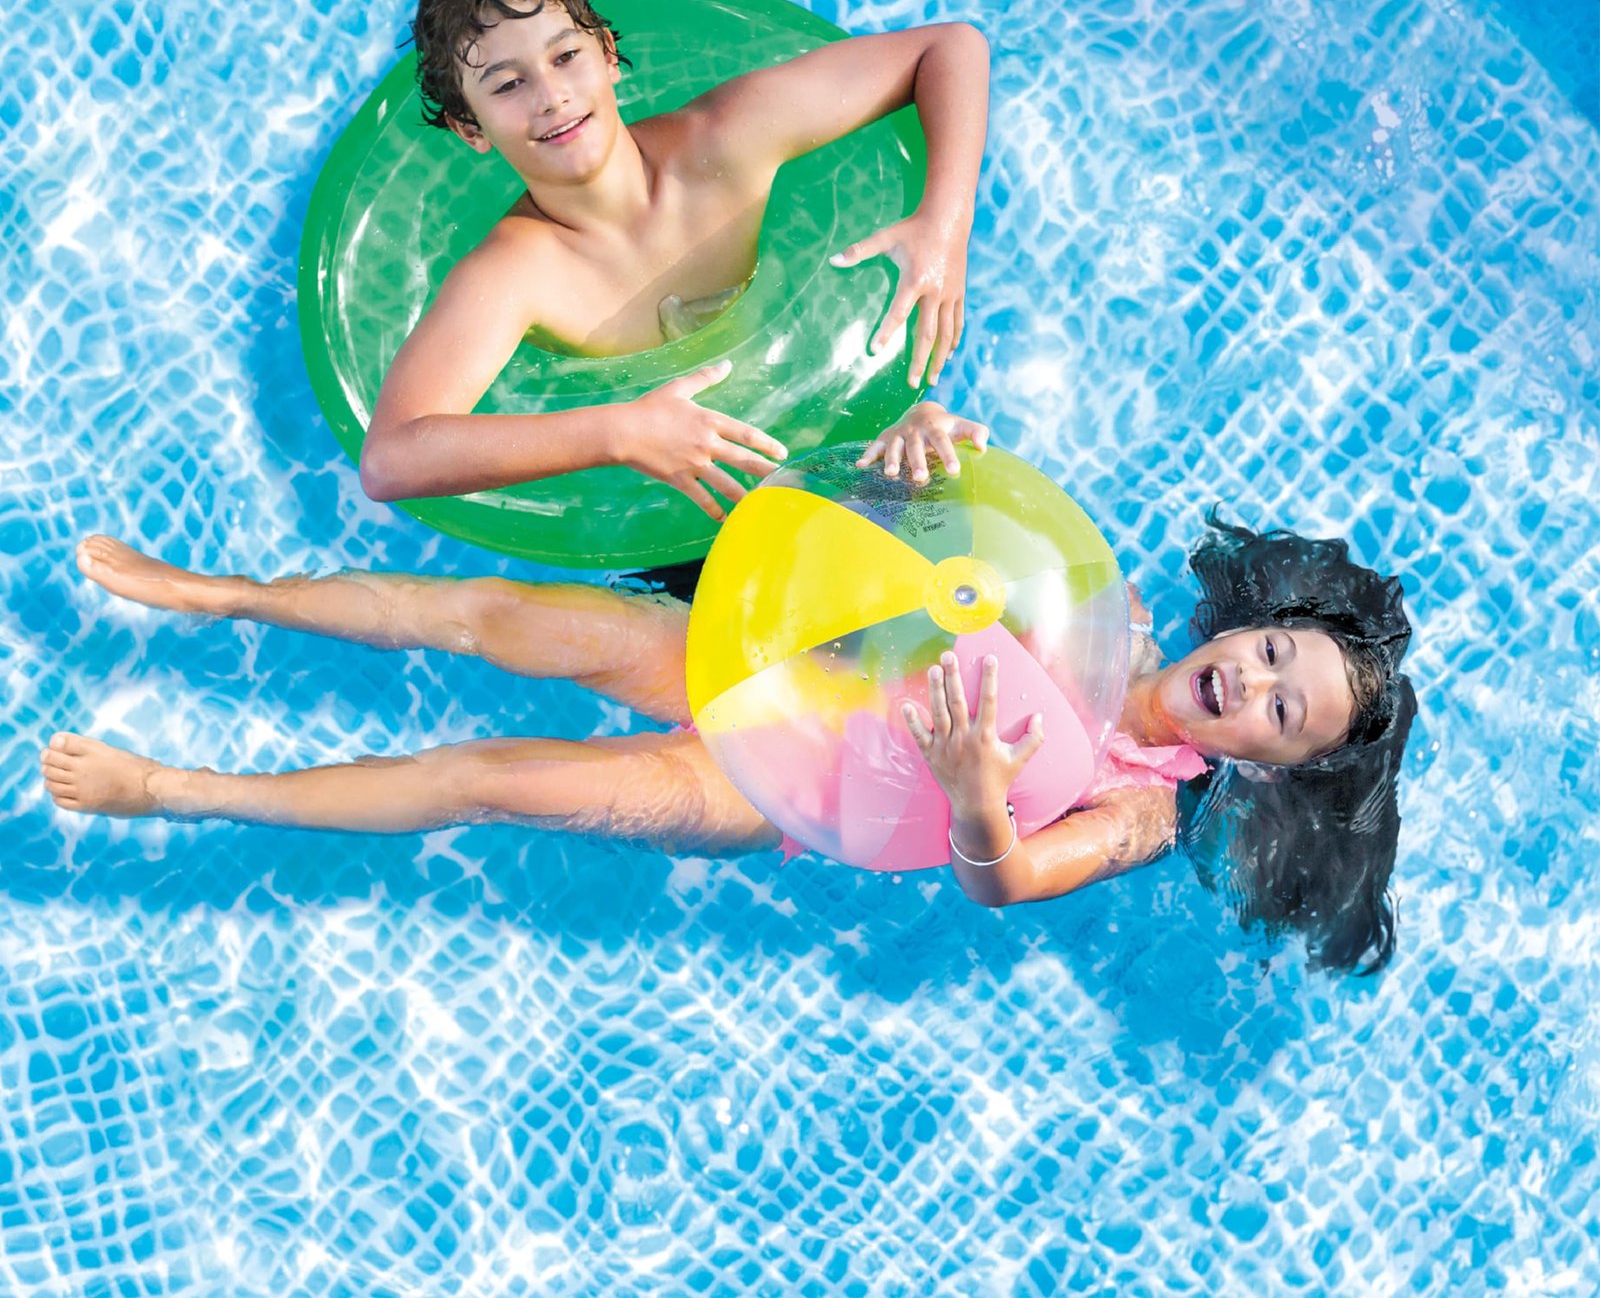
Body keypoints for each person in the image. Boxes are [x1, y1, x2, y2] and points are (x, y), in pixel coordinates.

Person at [40, 402, 1413, 973]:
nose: (1252, 683)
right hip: (774, 654)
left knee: (488, 778)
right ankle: (224, 594)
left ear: (1272, 766)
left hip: (769, 780)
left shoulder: (1145, 809)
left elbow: (1001, 884)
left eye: (1282, 713)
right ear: (1255, 619)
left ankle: (181, 786)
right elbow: (895, 545)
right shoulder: (1093, 598)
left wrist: (974, 794)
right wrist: (911, 452)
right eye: (1274, 653)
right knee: (486, 614)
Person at [357, 0, 992, 524]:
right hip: (688, 514)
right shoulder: (517, 272)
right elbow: (391, 458)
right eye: (508, 85)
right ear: (471, 129)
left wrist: (945, 226)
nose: (550, 96)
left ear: (609, 55)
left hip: (829, 404)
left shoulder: (724, 145)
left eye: (566, 57)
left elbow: (950, 48)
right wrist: (620, 433)